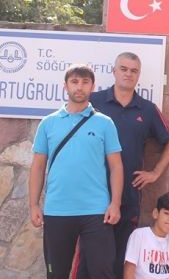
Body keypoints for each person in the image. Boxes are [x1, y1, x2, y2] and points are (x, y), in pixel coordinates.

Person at [87, 52, 169, 278]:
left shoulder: (147, 109)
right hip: (93, 192)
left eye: (134, 70)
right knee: (91, 259)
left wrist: (156, 172)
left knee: (121, 256)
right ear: (114, 71)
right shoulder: (93, 102)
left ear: (139, 75)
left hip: (129, 194)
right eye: (124, 69)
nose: (128, 74)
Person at [29, 64, 123, 279]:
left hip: (97, 211)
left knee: (102, 272)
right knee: (56, 273)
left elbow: (116, 166)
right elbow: (38, 167)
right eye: (74, 82)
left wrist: (115, 203)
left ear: (93, 86)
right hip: (57, 210)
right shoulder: (48, 123)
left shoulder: (105, 123)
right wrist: (33, 205)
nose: (79, 87)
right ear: (65, 86)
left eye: (85, 82)